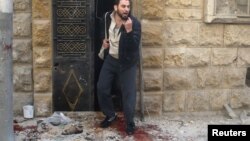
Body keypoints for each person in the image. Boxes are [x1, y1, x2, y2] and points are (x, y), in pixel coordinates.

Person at [97, 0, 141, 135]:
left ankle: (129, 123)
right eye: (123, 6)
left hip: (127, 62)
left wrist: (128, 32)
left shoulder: (134, 23)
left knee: (129, 93)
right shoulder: (106, 17)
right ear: (116, 7)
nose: (126, 9)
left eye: (128, 6)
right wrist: (103, 40)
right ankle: (110, 115)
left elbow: (133, 47)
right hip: (111, 59)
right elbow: (102, 30)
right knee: (102, 87)